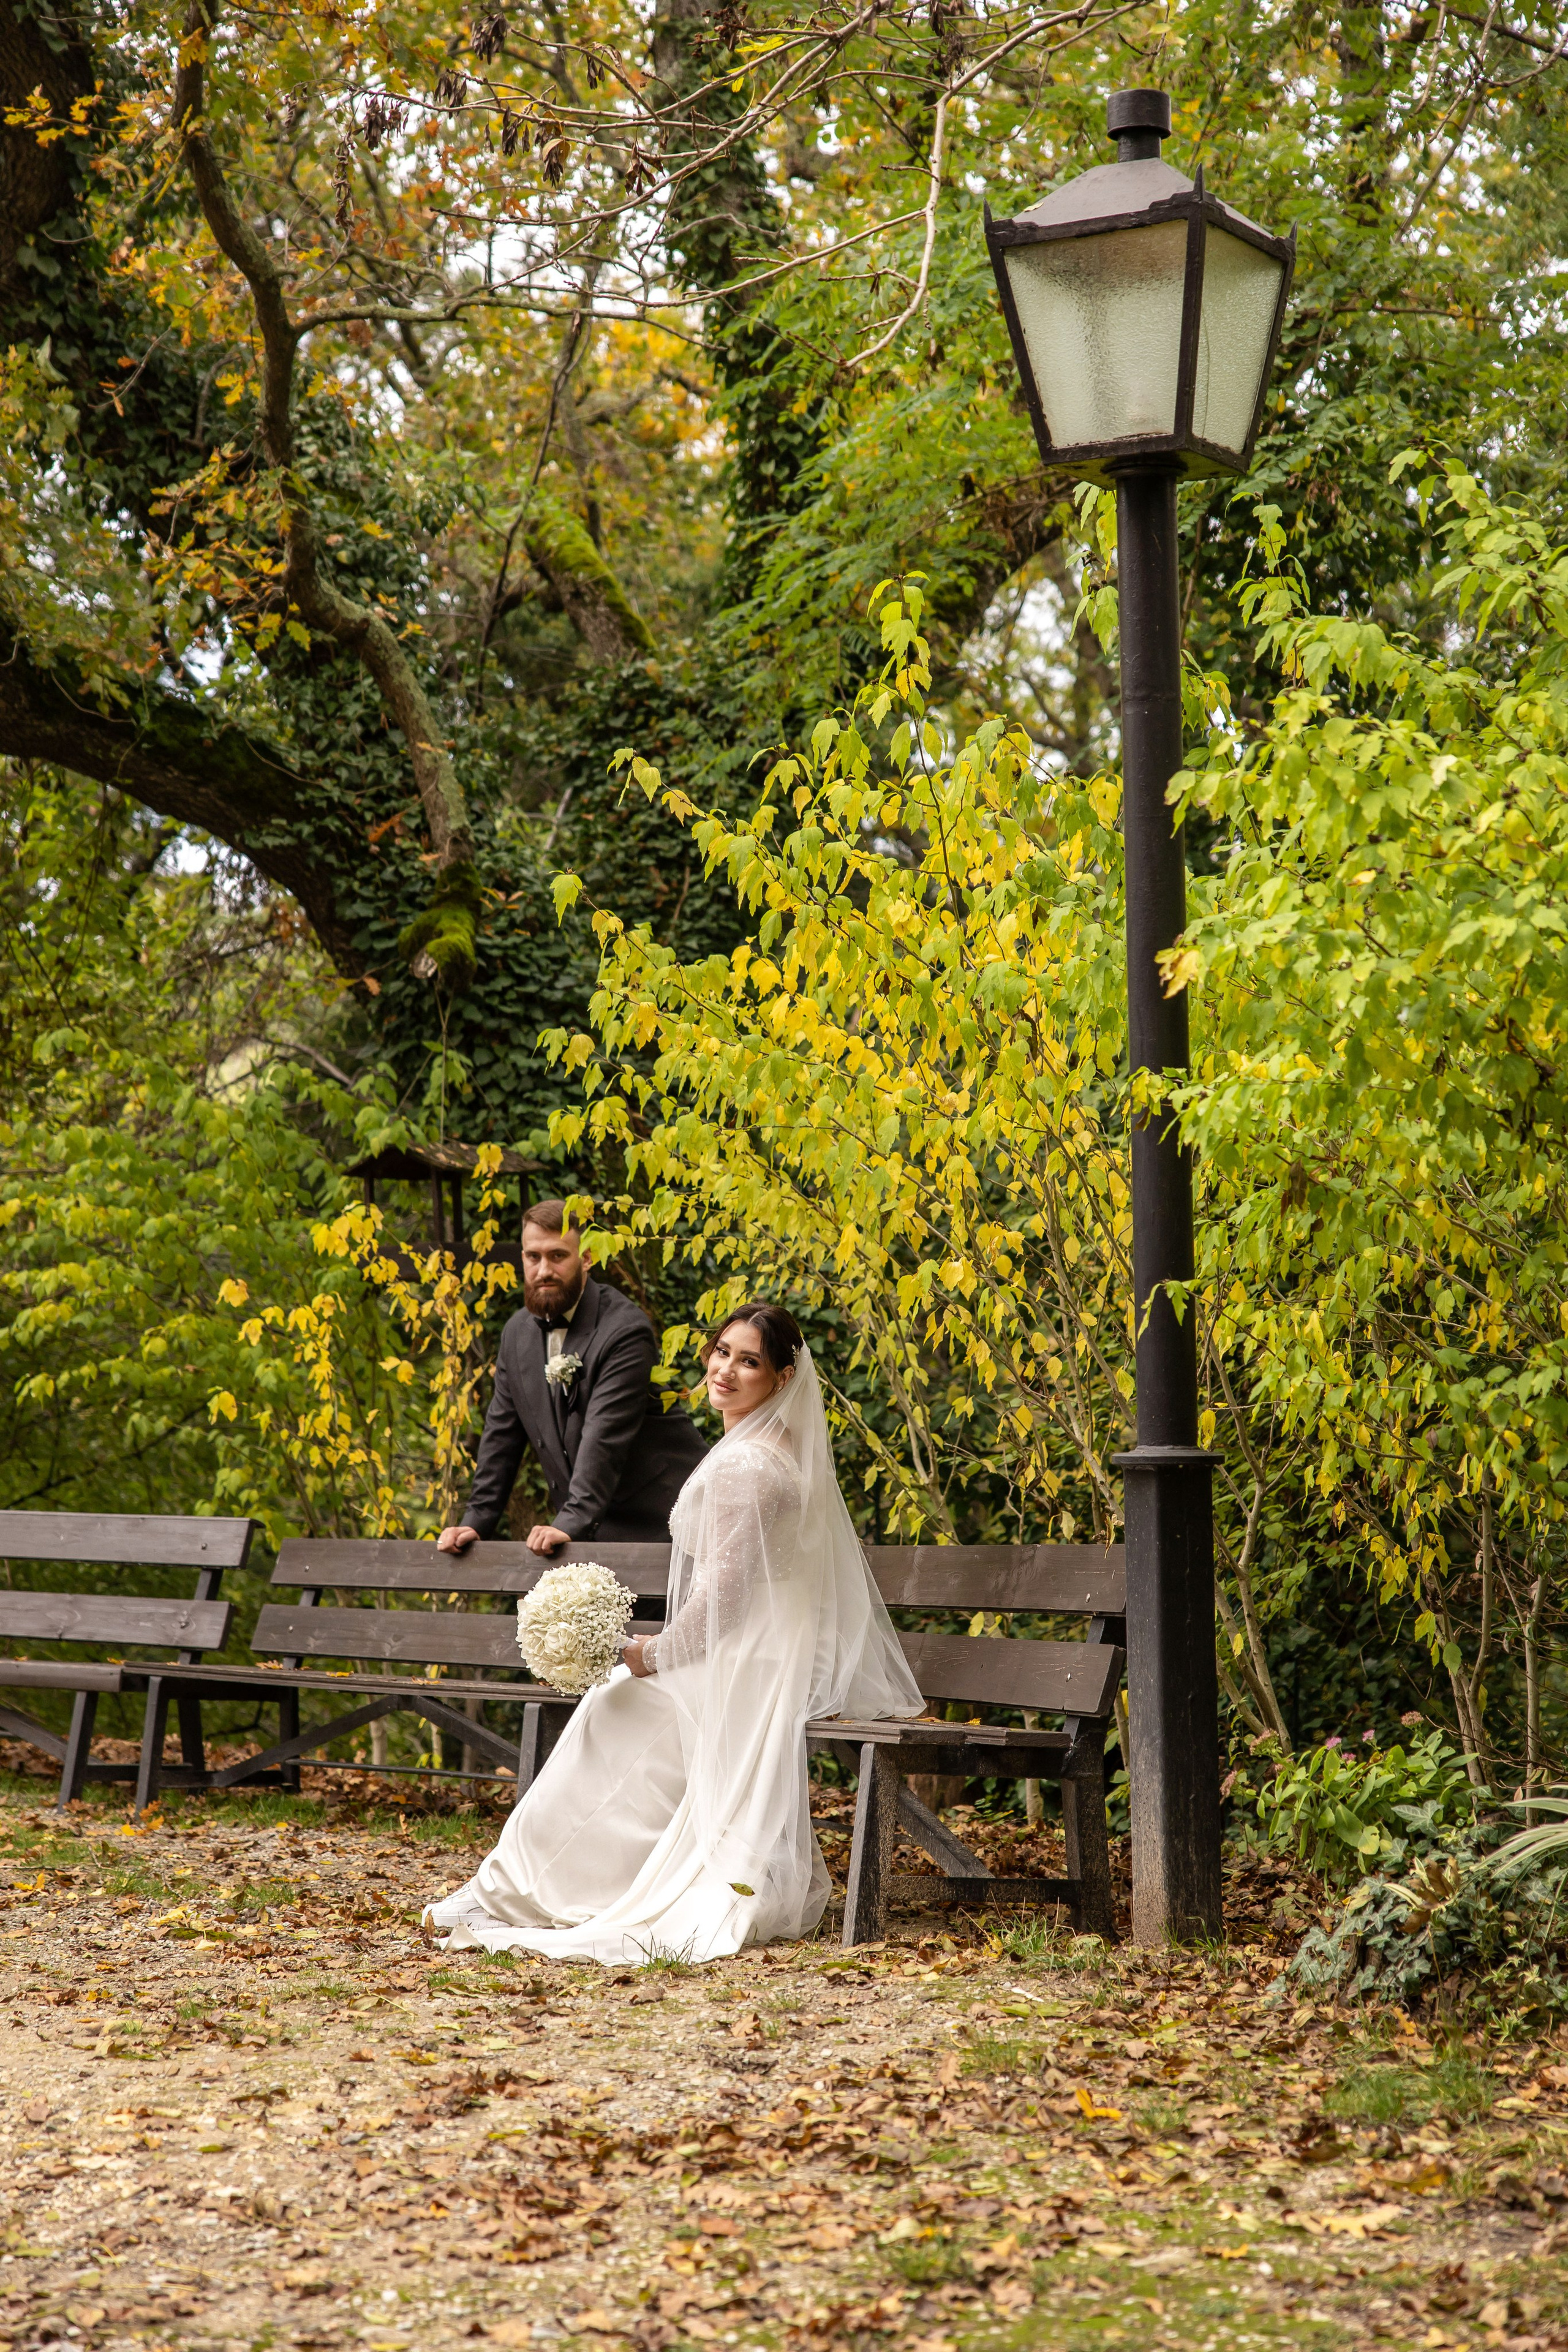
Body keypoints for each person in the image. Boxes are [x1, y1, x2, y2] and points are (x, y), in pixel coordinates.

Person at [424, 1302, 925, 1964]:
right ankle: (516, 1886)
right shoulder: (759, 1449)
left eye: (748, 1361)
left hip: (747, 1662)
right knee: (611, 1706)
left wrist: (650, 1653)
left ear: (780, 1379)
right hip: (756, 1652)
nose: (726, 1370)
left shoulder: (748, 1466)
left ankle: (515, 1892)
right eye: (722, 1352)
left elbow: (727, 1593)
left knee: (613, 1706)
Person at [437, 1199, 707, 1558]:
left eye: (558, 1255)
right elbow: (501, 1434)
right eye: (533, 1257)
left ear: (587, 1258)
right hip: (589, 1532)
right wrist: (478, 1519)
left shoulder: (625, 1330)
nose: (543, 1269)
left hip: (664, 1525)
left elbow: (604, 1437)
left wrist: (571, 1520)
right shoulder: (517, 1333)